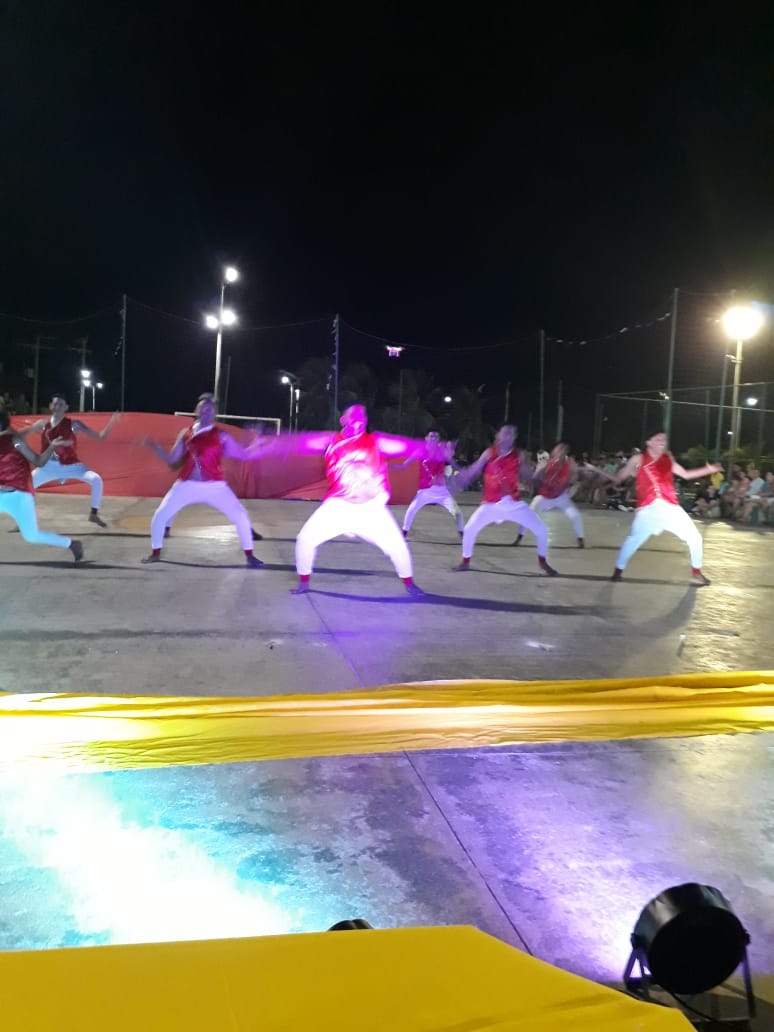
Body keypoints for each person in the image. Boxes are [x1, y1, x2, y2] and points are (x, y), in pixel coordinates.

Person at [290, 403, 425, 596]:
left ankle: (409, 583)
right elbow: (297, 443)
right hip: (338, 507)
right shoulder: (330, 441)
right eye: (355, 416)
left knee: (398, 546)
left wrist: (429, 448)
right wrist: (270, 446)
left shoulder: (376, 441)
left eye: (363, 416)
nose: (360, 419)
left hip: (370, 509)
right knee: (305, 539)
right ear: (343, 420)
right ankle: (304, 582)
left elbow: (405, 445)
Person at [140, 393, 268, 567]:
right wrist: (153, 446)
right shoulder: (186, 433)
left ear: (215, 413)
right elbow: (172, 460)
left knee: (241, 516)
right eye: (203, 409)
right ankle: (155, 553)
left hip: (214, 486)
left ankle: (250, 556)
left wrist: (256, 444)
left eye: (210, 409)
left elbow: (243, 455)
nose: (206, 412)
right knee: (159, 516)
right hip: (186, 484)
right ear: (196, 411)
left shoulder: (221, 435)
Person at [610, 430, 722, 585]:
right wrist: (617, 476)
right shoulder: (638, 458)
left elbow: (686, 474)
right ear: (648, 442)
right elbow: (622, 475)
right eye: (658, 439)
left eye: (664, 439)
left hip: (670, 507)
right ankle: (618, 570)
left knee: (695, 537)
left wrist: (708, 469)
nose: (662, 442)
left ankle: (696, 572)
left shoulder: (668, 460)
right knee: (633, 540)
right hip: (648, 509)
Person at [452, 425, 558, 576]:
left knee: (541, 530)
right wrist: (463, 477)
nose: (506, 437)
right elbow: (474, 469)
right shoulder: (489, 453)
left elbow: (530, 478)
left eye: (510, 434)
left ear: (514, 438)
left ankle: (543, 562)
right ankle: (465, 561)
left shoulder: (519, 456)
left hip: (513, 504)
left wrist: (540, 472)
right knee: (469, 529)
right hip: (491, 504)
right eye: (504, 433)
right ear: (498, 436)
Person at [0, 400, 84, 562]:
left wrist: (52, 446)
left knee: (32, 536)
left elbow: (39, 461)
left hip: (19, 496)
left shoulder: (15, 441)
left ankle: (72, 544)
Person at [24, 394, 118, 527]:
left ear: (66, 407)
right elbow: (23, 434)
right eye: (55, 404)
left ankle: (94, 514)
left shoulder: (74, 424)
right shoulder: (42, 424)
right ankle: (25, 517)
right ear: (50, 406)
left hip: (71, 465)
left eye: (61, 404)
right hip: (48, 467)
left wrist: (111, 423)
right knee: (25, 487)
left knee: (96, 479)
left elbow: (100, 436)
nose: (57, 407)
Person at [512, 442, 585, 548]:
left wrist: (572, 482)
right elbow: (534, 479)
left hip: (561, 497)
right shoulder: (547, 463)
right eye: (558, 450)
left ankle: (580, 540)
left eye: (563, 451)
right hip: (545, 497)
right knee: (528, 514)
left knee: (575, 516)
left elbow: (576, 475)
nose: (560, 453)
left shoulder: (570, 462)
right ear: (554, 452)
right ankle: (519, 538)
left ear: (565, 453)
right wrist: (539, 470)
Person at [394, 430, 464, 538]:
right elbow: (403, 465)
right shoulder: (419, 452)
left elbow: (451, 461)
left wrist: (457, 468)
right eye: (431, 436)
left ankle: (462, 534)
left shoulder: (442, 452)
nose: (434, 438)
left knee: (458, 513)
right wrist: (388, 466)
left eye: (436, 436)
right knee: (411, 510)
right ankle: (404, 532)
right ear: (426, 438)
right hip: (424, 491)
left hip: (441, 492)